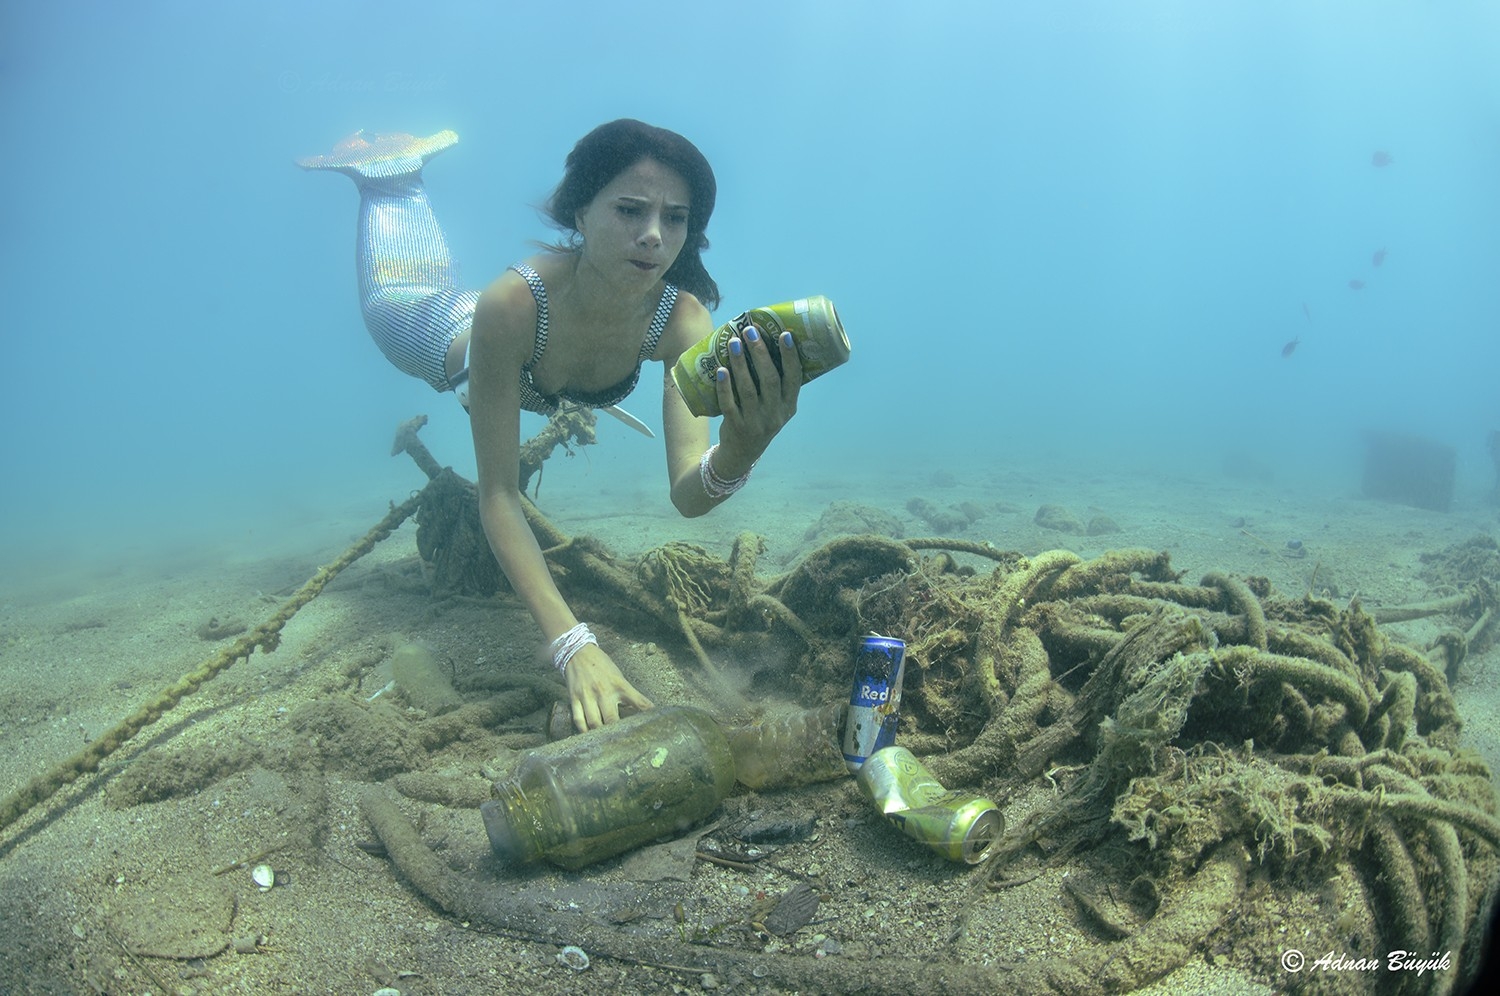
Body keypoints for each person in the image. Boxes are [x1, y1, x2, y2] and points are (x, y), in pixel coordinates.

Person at [299, 120, 801, 732]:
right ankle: (388, 181)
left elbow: (687, 495)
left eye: (675, 218)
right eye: (629, 209)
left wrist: (742, 450)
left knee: (442, 284)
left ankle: (401, 179)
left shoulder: (683, 323)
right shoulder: (512, 303)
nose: (652, 236)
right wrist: (572, 645)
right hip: (435, 335)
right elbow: (499, 496)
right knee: (405, 292)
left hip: (519, 360)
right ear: (580, 213)